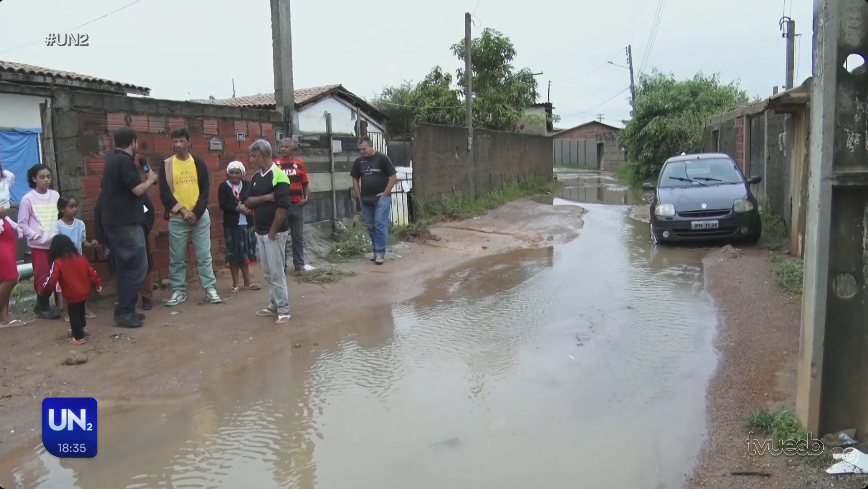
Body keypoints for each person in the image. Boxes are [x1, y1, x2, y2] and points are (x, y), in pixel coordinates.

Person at [101, 127, 158, 328]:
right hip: (125, 223)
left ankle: (126, 310)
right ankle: (125, 312)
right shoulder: (124, 162)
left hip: (116, 222)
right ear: (133, 142)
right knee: (137, 266)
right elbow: (137, 190)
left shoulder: (111, 160)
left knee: (126, 267)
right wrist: (150, 180)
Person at [158, 127, 221, 307]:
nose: (178, 145)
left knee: (204, 256)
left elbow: (205, 191)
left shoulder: (198, 163)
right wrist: (184, 212)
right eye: (175, 141)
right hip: (178, 218)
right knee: (177, 258)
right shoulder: (167, 165)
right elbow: (165, 194)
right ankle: (179, 291)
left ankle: (210, 289)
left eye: (181, 141)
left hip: (199, 217)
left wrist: (196, 213)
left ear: (189, 143)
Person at [244, 140, 292, 324]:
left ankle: (283, 309)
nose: (252, 159)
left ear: (263, 155)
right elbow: (247, 201)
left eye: (254, 156)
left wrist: (272, 232)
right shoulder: (257, 177)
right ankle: (273, 304)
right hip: (261, 231)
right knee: (267, 272)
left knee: (277, 272)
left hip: (275, 233)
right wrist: (266, 198)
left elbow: (283, 207)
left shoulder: (279, 176)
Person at [37, 235, 102, 345]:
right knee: (81, 311)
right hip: (84, 292)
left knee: (74, 316)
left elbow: (51, 279)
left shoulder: (58, 262)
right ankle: (83, 329)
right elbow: (92, 272)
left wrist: (44, 290)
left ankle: (78, 337)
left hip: (72, 294)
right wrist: (98, 283)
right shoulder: (81, 258)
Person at [18, 164, 61, 319]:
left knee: (56, 273)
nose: (46, 180)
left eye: (48, 177)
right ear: (34, 178)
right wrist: (36, 236)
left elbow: (59, 216)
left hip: (55, 242)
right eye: (42, 177)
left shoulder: (55, 195)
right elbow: (22, 223)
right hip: (38, 245)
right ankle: (44, 307)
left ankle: (40, 304)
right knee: (42, 275)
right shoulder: (27, 199)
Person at [351, 136, 398, 265]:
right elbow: (355, 178)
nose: (362, 152)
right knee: (371, 226)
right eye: (360, 149)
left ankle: (380, 253)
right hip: (365, 198)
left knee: (380, 224)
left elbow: (393, 176)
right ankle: (376, 250)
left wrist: (386, 193)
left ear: (371, 146)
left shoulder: (382, 158)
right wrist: (358, 194)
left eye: (364, 149)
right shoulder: (359, 161)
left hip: (381, 197)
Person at [218, 161, 261, 293]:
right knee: (234, 255)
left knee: (245, 254)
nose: (234, 175)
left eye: (237, 173)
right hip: (232, 226)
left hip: (246, 225)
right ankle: (235, 284)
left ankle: (248, 282)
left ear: (242, 174)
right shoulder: (223, 186)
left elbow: (252, 200)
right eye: (231, 173)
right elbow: (223, 204)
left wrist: (247, 208)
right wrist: (238, 208)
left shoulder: (247, 185)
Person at [54, 195, 99, 321]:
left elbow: (84, 242)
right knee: (67, 288)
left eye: (76, 206)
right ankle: (69, 312)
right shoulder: (58, 226)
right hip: (65, 262)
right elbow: (56, 244)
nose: (74, 209)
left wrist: (92, 244)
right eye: (71, 207)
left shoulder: (80, 224)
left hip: (78, 261)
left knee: (84, 285)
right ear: (62, 209)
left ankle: (86, 309)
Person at [275, 138, 310, 272]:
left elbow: (305, 184)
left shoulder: (299, 164)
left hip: (297, 205)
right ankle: (281, 267)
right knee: (281, 238)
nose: (283, 149)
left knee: (298, 237)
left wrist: (306, 198)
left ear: (293, 149)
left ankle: (299, 265)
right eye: (281, 146)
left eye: (286, 147)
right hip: (281, 206)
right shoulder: (275, 164)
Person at [0, 213, 23, 327]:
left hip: (9, 248)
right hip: (2, 250)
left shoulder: (4, 217)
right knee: (11, 279)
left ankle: (4, 318)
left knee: (4, 280)